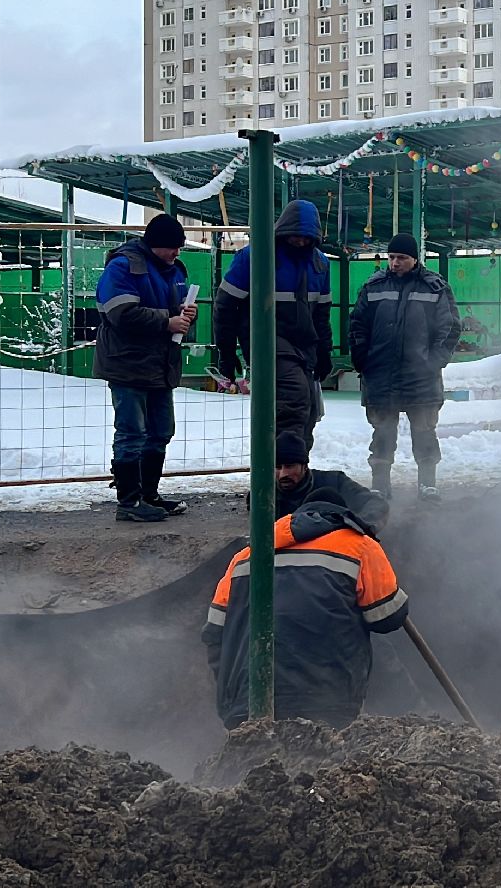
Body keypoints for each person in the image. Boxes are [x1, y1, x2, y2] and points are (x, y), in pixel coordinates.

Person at [201, 487, 409, 729]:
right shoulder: (360, 545)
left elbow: (214, 633)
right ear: (340, 515)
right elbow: (388, 618)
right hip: (326, 700)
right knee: (325, 753)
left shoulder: (246, 555)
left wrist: (231, 689)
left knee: (253, 753)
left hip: (248, 700)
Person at [95, 213, 196, 522]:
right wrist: (167, 321)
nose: (177, 252)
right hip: (128, 364)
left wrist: (185, 315)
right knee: (131, 432)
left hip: (159, 365)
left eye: (179, 247)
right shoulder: (123, 267)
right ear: (155, 244)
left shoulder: (174, 271)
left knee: (161, 431)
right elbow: (120, 314)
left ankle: (148, 495)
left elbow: (173, 313)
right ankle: (129, 501)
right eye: (172, 247)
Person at [349, 233, 462, 501]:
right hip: (381, 374)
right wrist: (362, 360)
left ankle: (427, 484)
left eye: (401, 257)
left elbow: (450, 328)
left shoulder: (435, 288)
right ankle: (380, 486)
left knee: (424, 432)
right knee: (382, 432)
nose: (395, 263)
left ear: (414, 259)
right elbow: (357, 325)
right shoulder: (373, 287)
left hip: (421, 378)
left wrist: (433, 362)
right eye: (391, 257)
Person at [215, 198, 334, 449]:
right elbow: (225, 307)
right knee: (294, 398)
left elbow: (321, 315)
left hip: (305, 345)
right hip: (267, 341)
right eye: (295, 236)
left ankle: (296, 466)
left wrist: (325, 351)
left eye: (306, 238)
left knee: (309, 410)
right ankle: (281, 465)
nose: (300, 242)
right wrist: (226, 352)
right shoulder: (255, 257)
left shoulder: (320, 264)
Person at [273, 429, 389, 525]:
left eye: (289, 466)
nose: (283, 474)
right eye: (277, 467)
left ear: (305, 466)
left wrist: (359, 526)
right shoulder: (265, 493)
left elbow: (374, 503)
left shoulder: (334, 482)